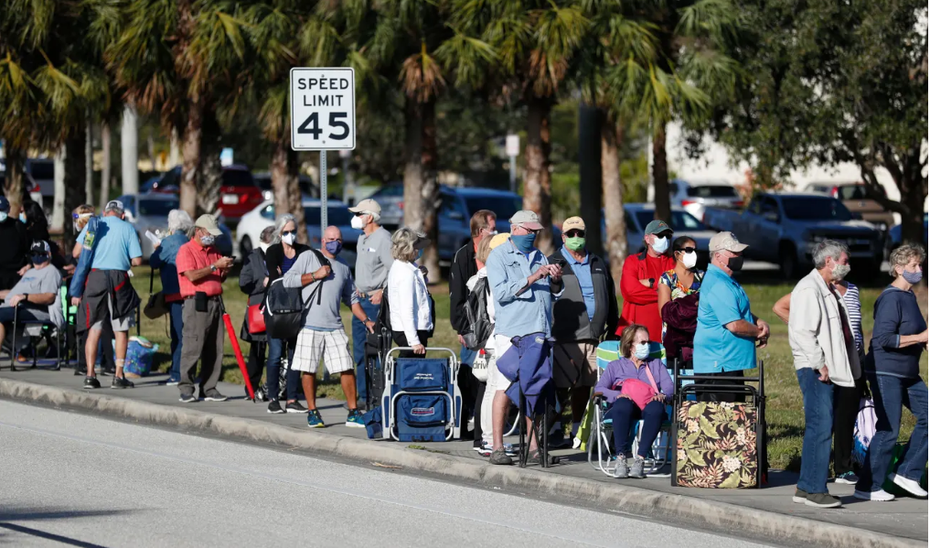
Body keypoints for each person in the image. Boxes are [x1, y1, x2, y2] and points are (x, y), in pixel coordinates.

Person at [772, 256, 865, 486]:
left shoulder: (847, 289)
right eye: (843, 259)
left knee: (843, 415)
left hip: (850, 359)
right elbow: (788, 315)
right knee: (823, 422)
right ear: (829, 260)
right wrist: (817, 355)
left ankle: (828, 476)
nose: (848, 264)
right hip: (825, 361)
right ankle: (814, 485)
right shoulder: (812, 287)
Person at [485, 210, 563, 465]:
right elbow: (502, 293)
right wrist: (533, 276)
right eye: (529, 230)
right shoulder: (498, 256)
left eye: (536, 231)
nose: (533, 235)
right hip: (512, 334)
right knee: (504, 389)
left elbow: (551, 294)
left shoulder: (539, 254)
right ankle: (497, 447)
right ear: (515, 228)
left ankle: (532, 447)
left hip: (538, 332)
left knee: (534, 390)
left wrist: (554, 281)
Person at [855, 244, 928, 502]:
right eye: (914, 266)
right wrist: (920, 336)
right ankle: (868, 486)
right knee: (888, 429)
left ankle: (907, 473)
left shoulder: (909, 297)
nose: (919, 270)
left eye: (920, 265)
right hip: (886, 372)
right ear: (898, 269)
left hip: (908, 373)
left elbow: (908, 333)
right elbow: (883, 338)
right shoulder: (891, 297)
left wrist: (921, 342)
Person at [283, 226, 375, 428]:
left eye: (339, 240)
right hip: (309, 324)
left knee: (346, 367)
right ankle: (312, 412)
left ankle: (352, 412)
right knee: (308, 369)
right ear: (323, 240)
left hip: (334, 326)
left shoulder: (343, 266)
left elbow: (351, 299)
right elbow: (288, 281)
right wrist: (315, 276)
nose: (336, 243)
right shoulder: (308, 256)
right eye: (332, 239)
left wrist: (366, 320)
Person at [549, 216, 618, 447]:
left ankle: (578, 431)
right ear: (563, 237)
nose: (576, 238)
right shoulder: (554, 262)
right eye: (571, 234)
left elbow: (609, 294)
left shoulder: (597, 261)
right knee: (561, 386)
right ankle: (555, 430)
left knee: (585, 386)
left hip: (593, 334)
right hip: (565, 335)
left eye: (580, 233)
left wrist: (612, 325)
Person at [72, 200, 142, 390]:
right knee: (121, 329)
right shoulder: (128, 228)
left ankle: (90, 375)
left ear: (104, 212)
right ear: (122, 215)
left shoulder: (93, 225)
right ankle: (119, 376)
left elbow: (76, 252)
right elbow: (136, 260)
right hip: (119, 279)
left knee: (94, 328)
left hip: (95, 278)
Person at [693, 232, 770, 400]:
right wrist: (759, 332)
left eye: (739, 252)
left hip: (728, 363)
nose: (739, 256)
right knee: (721, 423)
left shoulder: (726, 280)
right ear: (718, 256)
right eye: (734, 253)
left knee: (733, 420)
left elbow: (734, 311)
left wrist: (758, 321)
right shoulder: (718, 283)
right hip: (718, 367)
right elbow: (734, 324)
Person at [594, 323, 674, 479]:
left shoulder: (655, 365)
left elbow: (670, 389)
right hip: (624, 408)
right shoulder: (615, 366)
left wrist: (663, 396)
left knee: (657, 407)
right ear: (630, 345)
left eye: (649, 342)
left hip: (648, 407)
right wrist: (617, 395)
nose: (647, 346)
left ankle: (640, 459)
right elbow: (599, 389)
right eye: (643, 342)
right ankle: (621, 458)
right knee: (622, 404)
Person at [175, 214, 234, 403]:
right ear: (199, 231)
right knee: (193, 345)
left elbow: (217, 277)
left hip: (215, 301)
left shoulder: (213, 250)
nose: (213, 237)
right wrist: (215, 266)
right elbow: (192, 276)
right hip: (196, 302)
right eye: (210, 233)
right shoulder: (186, 250)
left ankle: (209, 388)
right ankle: (186, 388)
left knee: (215, 348)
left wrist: (224, 270)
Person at [450, 209, 497, 440]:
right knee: (470, 376)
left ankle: (480, 426)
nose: (496, 232)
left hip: (491, 329)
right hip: (471, 329)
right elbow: (457, 296)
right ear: (481, 231)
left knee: (484, 381)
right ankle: (465, 420)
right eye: (493, 228)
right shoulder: (463, 256)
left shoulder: (495, 254)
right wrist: (462, 328)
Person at [469, 233, 511, 456]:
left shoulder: (481, 275)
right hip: (496, 338)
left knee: (491, 389)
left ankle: (486, 437)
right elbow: (496, 310)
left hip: (489, 339)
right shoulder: (491, 277)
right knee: (496, 389)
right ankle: (488, 438)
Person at [263, 214, 310, 414]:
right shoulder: (273, 251)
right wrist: (297, 278)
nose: (290, 235)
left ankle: (292, 398)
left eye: (293, 231)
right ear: (279, 233)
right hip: (276, 308)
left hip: (297, 308)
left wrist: (290, 276)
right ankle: (273, 398)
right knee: (275, 354)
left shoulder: (304, 251)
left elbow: (310, 272)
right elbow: (275, 278)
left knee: (295, 356)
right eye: (286, 232)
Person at [349, 198, 393, 408]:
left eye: (358, 214)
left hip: (375, 305)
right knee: (359, 353)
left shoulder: (384, 239)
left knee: (375, 353)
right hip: (360, 301)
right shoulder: (362, 239)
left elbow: (394, 269)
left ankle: (378, 399)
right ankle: (363, 398)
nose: (355, 218)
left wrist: (383, 292)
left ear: (369, 217)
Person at [69, 204, 114, 376]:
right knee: (105, 322)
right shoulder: (103, 226)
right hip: (109, 277)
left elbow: (76, 254)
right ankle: (108, 363)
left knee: (88, 322)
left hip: (91, 280)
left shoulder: (89, 229)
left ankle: (84, 364)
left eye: (75, 219)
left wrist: (76, 288)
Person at [150, 209, 192, 386]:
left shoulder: (169, 242)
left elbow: (154, 262)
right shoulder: (188, 241)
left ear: (171, 224)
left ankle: (177, 373)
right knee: (186, 333)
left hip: (175, 293)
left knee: (178, 334)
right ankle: (187, 370)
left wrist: (157, 249)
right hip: (189, 292)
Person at [616, 220, 674, 341]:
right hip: (635, 335)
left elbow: (679, 292)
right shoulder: (633, 261)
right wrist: (664, 293)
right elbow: (630, 292)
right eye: (660, 235)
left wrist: (647, 284)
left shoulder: (673, 263)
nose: (664, 239)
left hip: (666, 335)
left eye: (667, 236)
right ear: (647, 239)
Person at [0, 241, 64, 350]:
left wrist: (26, 297)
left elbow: (49, 297)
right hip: (17, 307)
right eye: (33, 254)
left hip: (36, 311)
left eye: (40, 254)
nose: (36, 258)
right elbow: (13, 294)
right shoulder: (30, 272)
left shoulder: (51, 271)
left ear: (48, 255)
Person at [239, 226, 275, 401]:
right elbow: (243, 284)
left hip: (278, 311)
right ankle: (251, 388)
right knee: (257, 353)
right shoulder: (253, 257)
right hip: (259, 311)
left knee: (277, 353)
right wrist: (263, 283)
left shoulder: (283, 256)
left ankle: (275, 387)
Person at [657, 236, 704, 364]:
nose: (693, 254)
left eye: (695, 250)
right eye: (689, 250)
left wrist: (681, 307)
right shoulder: (667, 278)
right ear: (677, 254)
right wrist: (694, 305)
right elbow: (664, 312)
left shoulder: (702, 276)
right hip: (674, 340)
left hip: (698, 338)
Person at [387, 228, 433, 356]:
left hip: (412, 328)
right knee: (413, 371)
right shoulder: (405, 273)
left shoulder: (407, 268)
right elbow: (406, 309)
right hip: (410, 331)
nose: (420, 250)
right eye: (417, 247)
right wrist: (414, 341)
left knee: (412, 369)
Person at [0, 196, 32, 291]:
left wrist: (28, 266)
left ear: (8, 209)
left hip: (16, 276)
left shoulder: (18, 226)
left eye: (2, 209)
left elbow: (30, 248)